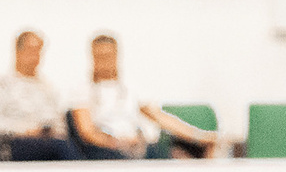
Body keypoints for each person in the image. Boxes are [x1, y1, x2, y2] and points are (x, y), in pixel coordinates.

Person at [68, 33, 220, 160]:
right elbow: (87, 131)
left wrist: (199, 136)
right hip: (107, 149)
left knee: (184, 153)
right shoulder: (83, 89)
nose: (104, 62)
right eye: (99, 56)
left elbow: (159, 117)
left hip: (140, 145)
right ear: (92, 57)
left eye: (108, 56)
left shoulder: (130, 88)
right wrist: (117, 143)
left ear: (116, 55)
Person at [0, 30, 75, 160]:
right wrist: (26, 130)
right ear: (17, 51)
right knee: (60, 148)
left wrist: (49, 131)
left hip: (46, 143)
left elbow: (60, 125)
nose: (34, 56)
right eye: (30, 50)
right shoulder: (1, 86)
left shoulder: (47, 88)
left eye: (38, 51)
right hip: (11, 143)